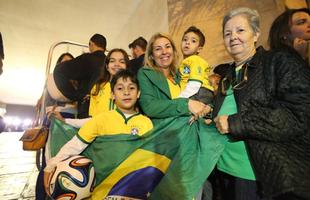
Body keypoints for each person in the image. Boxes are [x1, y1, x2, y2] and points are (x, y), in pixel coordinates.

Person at [213, 7, 310, 200]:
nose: (233, 37)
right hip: (223, 172)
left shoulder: (279, 61)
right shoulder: (227, 76)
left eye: (240, 30)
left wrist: (235, 123)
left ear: (256, 33)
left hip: (260, 178)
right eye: (227, 33)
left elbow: (298, 115)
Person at [43, 69, 153, 197]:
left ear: (138, 93)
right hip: (102, 189)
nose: (126, 92)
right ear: (112, 95)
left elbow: (150, 158)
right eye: (120, 88)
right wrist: (50, 165)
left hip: (133, 189)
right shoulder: (101, 120)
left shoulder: (146, 123)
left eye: (131, 88)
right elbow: (75, 145)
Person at [137, 32, 212, 126]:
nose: (164, 52)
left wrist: (207, 108)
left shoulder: (180, 73)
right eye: (158, 49)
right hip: (167, 131)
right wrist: (186, 104)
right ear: (151, 55)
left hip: (193, 128)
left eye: (168, 47)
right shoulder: (145, 73)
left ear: (173, 50)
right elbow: (149, 107)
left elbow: (201, 93)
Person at [52, 48, 129, 128]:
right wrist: (65, 120)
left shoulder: (132, 88)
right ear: (107, 66)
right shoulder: (97, 88)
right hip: (100, 136)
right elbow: (92, 121)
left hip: (124, 136)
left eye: (122, 61)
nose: (117, 64)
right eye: (112, 61)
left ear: (127, 66)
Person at [48, 33, 107, 118]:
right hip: (105, 110)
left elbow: (59, 71)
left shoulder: (86, 59)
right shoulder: (110, 63)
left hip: (87, 108)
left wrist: (76, 95)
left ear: (91, 44)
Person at [178, 26, 214, 106]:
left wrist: (180, 99)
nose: (187, 42)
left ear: (199, 49)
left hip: (200, 91)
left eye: (193, 41)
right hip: (195, 91)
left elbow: (195, 83)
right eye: (185, 39)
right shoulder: (186, 62)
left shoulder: (196, 60)